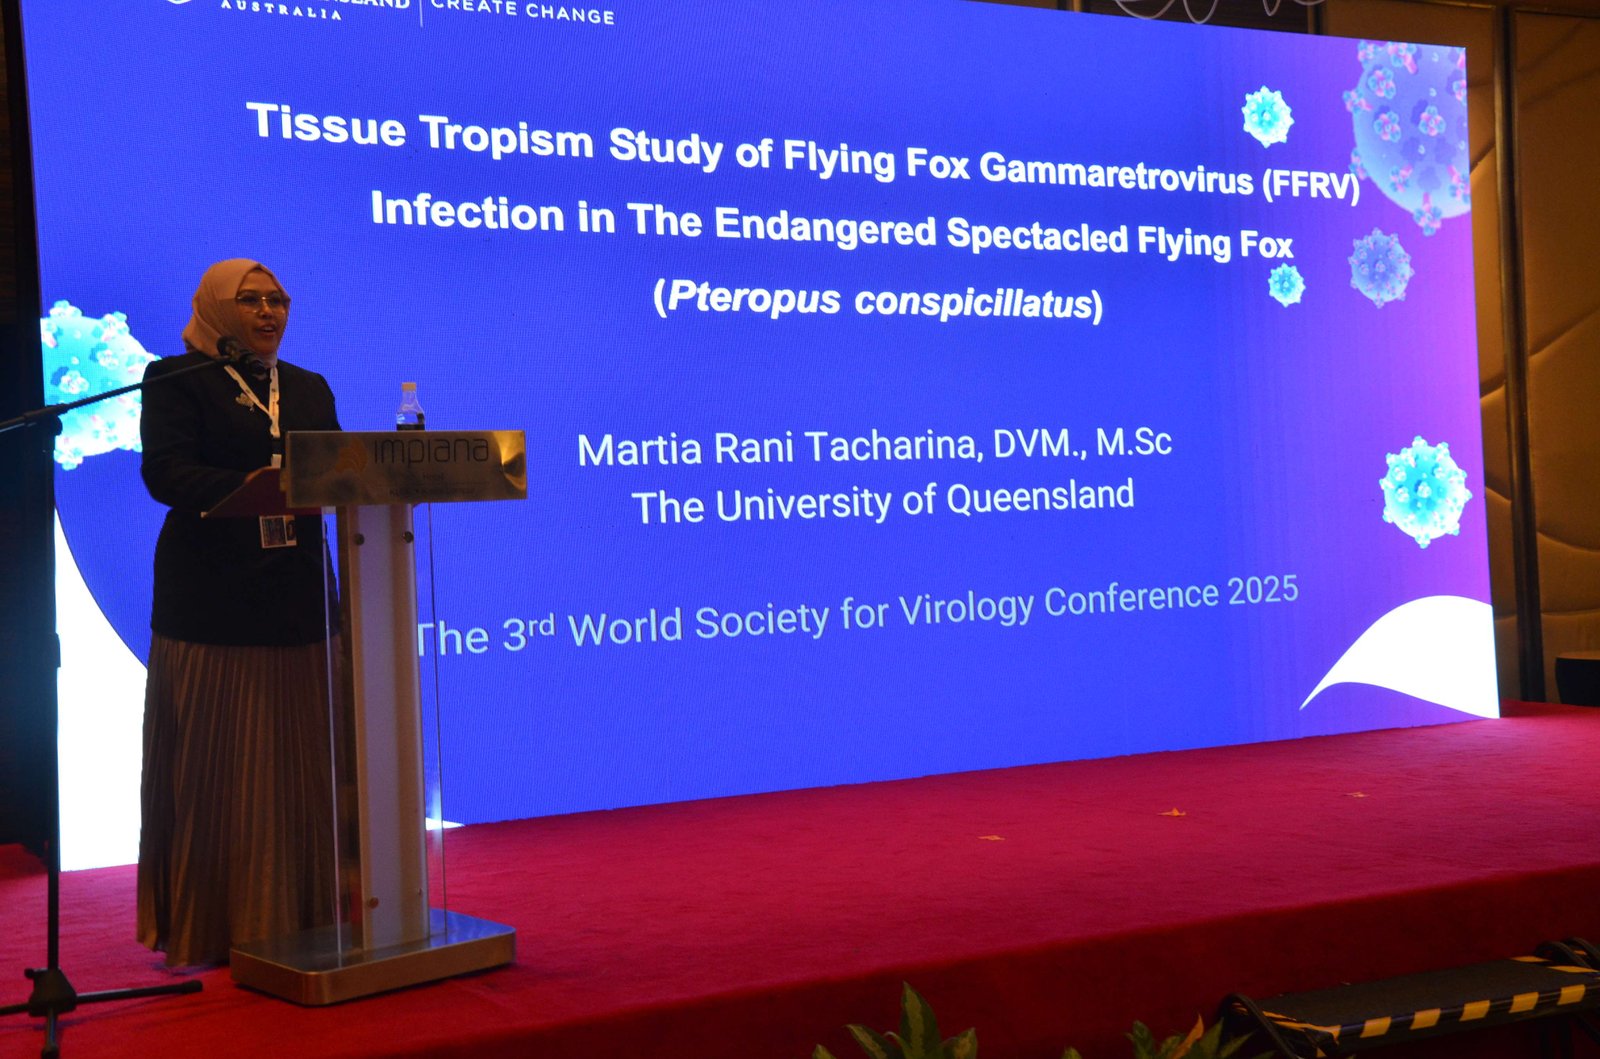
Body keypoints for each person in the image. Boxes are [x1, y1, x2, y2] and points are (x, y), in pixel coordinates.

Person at [136, 258, 340, 966]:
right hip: (212, 599)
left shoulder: (309, 387)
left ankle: (302, 917)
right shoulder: (177, 378)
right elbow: (166, 472)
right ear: (218, 309)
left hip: (297, 594)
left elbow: (340, 470)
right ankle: (213, 925)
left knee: (297, 768)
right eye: (250, 300)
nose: (268, 312)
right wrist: (247, 485)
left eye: (277, 299)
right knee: (218, 769)